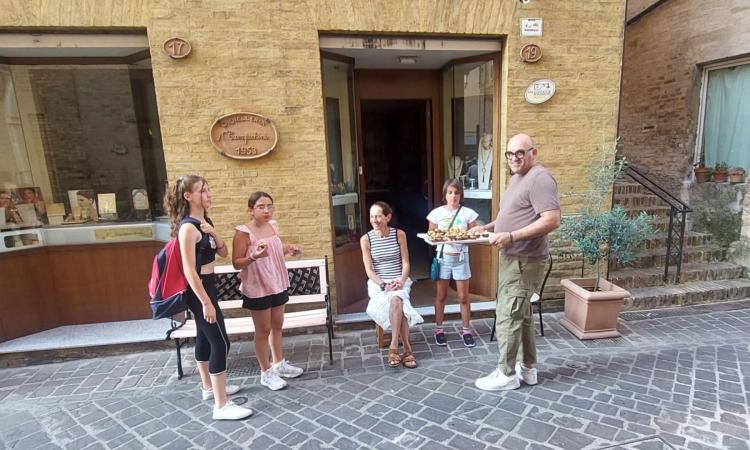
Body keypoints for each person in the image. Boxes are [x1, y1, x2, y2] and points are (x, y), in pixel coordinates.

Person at [472, 133, 560, 391]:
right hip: (513, 257)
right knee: (522, 316)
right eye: (510, 154)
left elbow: (551, 219)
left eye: (520, 152)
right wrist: (487, 228)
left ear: (534, 152)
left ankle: (506, 373)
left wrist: (511, 237)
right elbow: (513, 216)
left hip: (524, 260)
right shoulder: (518, 178)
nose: (514, 158)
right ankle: (528, 369)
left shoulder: (540, 178)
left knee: (508, 315)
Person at [164, 175, 252, 420]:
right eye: (203, 190)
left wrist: (214, 232)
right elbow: (189, 270)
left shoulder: (204, 222)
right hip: (199, 290)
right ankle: (221, 405)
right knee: (221, 343)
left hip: (209, 285)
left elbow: (223, 253)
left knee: (204, 339)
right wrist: (205, 303)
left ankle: (209, 388)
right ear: (188, 196)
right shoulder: (187, 228)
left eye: (208, 189)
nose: (209, 193)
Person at [232, 191, 303, 391]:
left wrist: (288, 250)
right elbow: (236, 263)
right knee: (263, 330)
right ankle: (266, 372)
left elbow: (273, 252)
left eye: (269, 206)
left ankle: (279, 363)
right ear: (250, 210)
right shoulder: (243, 233)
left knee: (277, 324)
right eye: (261, 206)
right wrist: (253, 256)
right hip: (257, 286)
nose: (267, 210)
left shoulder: (273, 226)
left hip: (277, 282)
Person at [361, 201, 424, 369]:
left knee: (397, 299)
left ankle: (394, 346)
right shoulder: (366, 240)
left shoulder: (399, 235)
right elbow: (369, 270)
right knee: (398, 302)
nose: (374, 220)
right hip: (378, 283)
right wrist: (383, 285)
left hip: (399, 279)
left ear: (388, 217)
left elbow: (406, 263)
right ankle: (406, 349)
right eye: (372, 216)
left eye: (378, 216)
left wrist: (401, 281)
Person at [426, 178, 479, 347]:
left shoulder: (468, 213)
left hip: (461, 258)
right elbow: (430, 235)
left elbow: (474, 235)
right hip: (443, 258)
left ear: (461, 194)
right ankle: (439, 329)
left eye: (456, 193)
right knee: (441, 296)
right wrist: (443, 237)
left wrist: (464, 237)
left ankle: (466, 330)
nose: (453, 196)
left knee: (463, 297)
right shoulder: (436, 213)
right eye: (450, 192)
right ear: (445, 195)